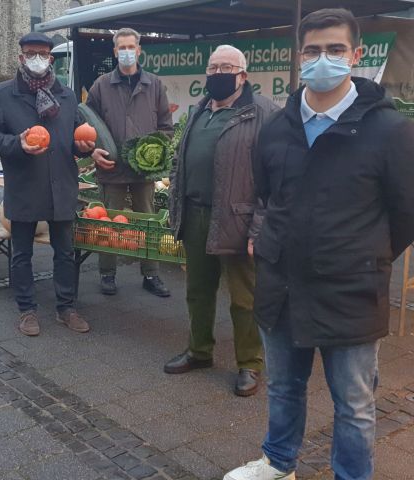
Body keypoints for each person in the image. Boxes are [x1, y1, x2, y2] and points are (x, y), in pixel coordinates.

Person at [224, 8, 414, 480]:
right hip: (281, 284)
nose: (322, 59)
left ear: (355, 54)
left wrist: (365, 255)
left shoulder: (389, 131)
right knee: (285, 387)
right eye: (312, 50)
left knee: (354, 402)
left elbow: (406, 212)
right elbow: (269, 195)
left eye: (334, 49)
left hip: (349, 290)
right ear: (299, 56)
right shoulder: (277, 128)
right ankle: (279, 463)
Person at [164, 45, 278, 396]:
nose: (217, 74)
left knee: (245, 297)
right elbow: (181, 162)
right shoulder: (201, 110)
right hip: (197, 214)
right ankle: (199, 351)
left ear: (243, 75)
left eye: (226, 67)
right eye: (212, 67)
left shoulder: (264, 113)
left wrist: (259, 224)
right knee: (198, 291)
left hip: (238, 219)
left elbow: (275, 177)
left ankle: (250, 364)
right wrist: (175, 207)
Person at [0, 32, 94, 337]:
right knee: (21, 254)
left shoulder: (67, 96)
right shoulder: (4, 95)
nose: (37, 59)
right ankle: (27, 310)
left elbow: (74, 137)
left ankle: (66, 307)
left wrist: (84, 147)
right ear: (20, 57)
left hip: (62, 186)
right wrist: (17, 143)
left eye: (42, 54)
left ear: (51, 58)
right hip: (24, 184)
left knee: (65, 252)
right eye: (31, 53)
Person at [87, 28, 173, 297]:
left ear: (139, 50)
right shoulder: (101, 85)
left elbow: (166, 128)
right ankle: (107, 273)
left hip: (144, 172)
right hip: (111, 169)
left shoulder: (155, 85)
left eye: (130, 47)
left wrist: (155, 155)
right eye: (121, 47)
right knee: (108, 222)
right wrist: (94, 151)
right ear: (115, 52)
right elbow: (86, 125)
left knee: (147, 222)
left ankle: (151, 274)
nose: (126, 52)